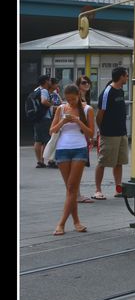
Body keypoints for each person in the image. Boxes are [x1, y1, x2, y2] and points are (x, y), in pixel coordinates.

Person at [49, 84, 95, 235]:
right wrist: (63, 121)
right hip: (62, 150)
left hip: (79, 149)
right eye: (68, 100)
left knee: (71, 188)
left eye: (73, 99)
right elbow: (52, 130)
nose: (71, 102)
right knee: (71, 190)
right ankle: (76, 222)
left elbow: (90, 133)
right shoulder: (61, 109)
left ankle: (61, 223)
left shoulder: (88, 109)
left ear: (79, 96)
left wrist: (77, 121)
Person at [93, 67, 129, 199]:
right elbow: (100, 114)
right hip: (109, 134)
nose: (127, 78)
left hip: (121, 133)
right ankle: (97, 190)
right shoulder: (108, 92)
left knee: (119, 162)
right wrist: (102, 130)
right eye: (126, 76)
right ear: (120, 77)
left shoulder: (120, 90)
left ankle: (118, 189)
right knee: (102, 162)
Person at [75, 76, 95, 202]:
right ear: (78, 85)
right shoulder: (78, 100)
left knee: (79, 166)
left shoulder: (85, 99)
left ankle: (75, 193)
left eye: (88, 82)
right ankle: (76, 194)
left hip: (83, 135)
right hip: (79, 136)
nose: (87, 84)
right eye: (84, 82)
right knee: (78, 167)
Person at [30, 76, 57, 168]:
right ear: (46, 81)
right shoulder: (44, 90)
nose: (50, 82)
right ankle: (50, 160)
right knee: (49, 140)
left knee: (38, 140)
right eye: (49, 80)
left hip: (37, 118)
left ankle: (40, 161)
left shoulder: (36, 89)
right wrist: (52, 105)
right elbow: (43, 101)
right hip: (44, 118)